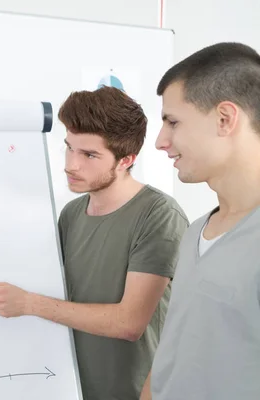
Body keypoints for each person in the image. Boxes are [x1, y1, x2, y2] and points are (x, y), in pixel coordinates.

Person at [0, 86, 189, 400]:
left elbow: (129, 323)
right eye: (69, 148)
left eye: (89, 154)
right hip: (70, 389)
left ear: (125, 160)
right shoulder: (71, 214)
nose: (71, 164)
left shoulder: (159, 215)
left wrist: (29, 304)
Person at [140, 42, 260, 400]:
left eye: (172, 122)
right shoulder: (195, 232)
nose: (161, 141)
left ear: (225, 119)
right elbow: (174, 352)